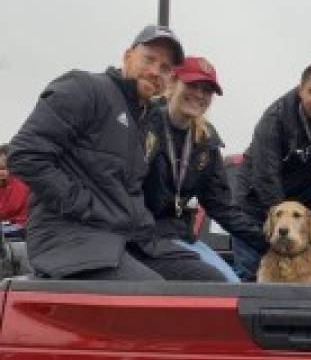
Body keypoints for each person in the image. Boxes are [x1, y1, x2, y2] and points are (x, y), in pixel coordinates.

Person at [8, 24, 231, 281]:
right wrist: (84, 206)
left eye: (165, 68)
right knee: (153, 293)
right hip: (70, 238)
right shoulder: (85, 88)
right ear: (127, 56)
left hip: (129, 240)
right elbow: (24, 154)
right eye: (149, 59)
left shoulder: (146, 119)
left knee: (212, 283)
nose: (155, 71)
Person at [142, 56, 265, 282]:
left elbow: (223, 208)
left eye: (207, 90)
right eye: (192, 85)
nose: (199, 95)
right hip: (141, 237)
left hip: (179, 236)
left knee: (234, 285)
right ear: (172, 82)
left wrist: (268, 242)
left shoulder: (205, 142)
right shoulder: (144, 124)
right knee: (220, 286)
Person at [233, 58, 311, 280]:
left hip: (302, 214)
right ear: (300, 90)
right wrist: (282, 228)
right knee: (250, 277)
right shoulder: (273, 120)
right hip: (259, 208)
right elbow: (266, 179)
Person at [0, 143, 30, 234]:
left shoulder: (20, 182)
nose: (1, 172)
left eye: (3, 168)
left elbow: (10, 207)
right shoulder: (3, 183)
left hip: (19, 226)